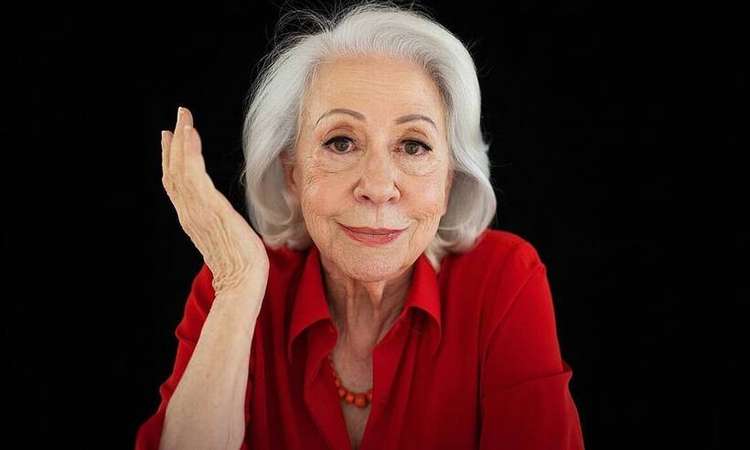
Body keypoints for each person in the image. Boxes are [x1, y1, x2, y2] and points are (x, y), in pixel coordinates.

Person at [135, 2, 585, 449]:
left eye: (413, 146)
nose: (377, 187)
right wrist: (238, 285)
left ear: (449, 177)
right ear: (292, 171)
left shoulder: (503, 278)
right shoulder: (233, 284)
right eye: (341, 142)